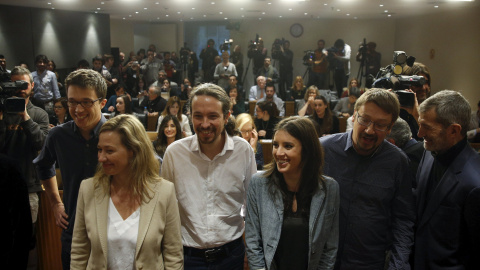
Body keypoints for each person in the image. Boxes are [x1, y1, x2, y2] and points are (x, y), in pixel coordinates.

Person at [160, 83, 256, 269]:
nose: (205, 124)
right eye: (198, 116)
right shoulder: (174, 153)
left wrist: (250, 251)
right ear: (190, 116)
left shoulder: (243, 150)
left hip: (232, 255)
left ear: (227, 116)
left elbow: (251, 205)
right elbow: (165, 209)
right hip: (187, 257)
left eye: (213, 116)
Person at [71, 114, 183, 269]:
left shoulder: (164, 192)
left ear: (133, 150)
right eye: (99, 150)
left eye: (109, 151)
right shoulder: (88, 189)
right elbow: (79, 251)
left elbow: (173, 255)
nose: (101, 158)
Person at [320, 89, 415, 269]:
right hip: (322, 262)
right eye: (364, 120)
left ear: (390, 127)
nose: (370, 130)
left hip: (369, 262)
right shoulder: (323, 150)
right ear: (354, 116)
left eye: (380, 125)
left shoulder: (397, 161)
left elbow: (403, 220)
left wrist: (398, 265)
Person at [33, 69, 108, 269]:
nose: (78, 109)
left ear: (102, 103)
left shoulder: (118, 132)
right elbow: (43, 164)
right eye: (72, 101)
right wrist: (56, 204)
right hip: (74, 232)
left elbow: (151, 166)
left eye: (86, 102)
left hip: (113, 233)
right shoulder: (58, 135)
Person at [245, 116, 340, 269]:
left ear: (307, 150)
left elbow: (330, 247)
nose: (279, 152)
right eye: (276, 145)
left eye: (288, 146)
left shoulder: (330, 188)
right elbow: (253, 243)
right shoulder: (259, 184)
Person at [414, 90, 480, 269]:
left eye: (427, 127)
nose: (420, 133)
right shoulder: (429, 153)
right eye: (420, 124)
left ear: (454, 130)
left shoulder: (475, 183)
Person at [0, 66, 49, 245]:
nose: (20, 89)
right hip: (2, 182)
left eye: (24, 84)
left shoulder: (39, 114)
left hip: (28, 185)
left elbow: (43, 145)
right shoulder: (1, 113)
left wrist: (25, 117)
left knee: (25, 239)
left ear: (32, 86)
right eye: (15, 85)